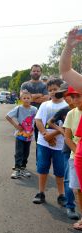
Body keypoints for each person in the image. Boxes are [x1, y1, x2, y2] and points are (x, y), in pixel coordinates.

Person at [47, 83, 80, 220]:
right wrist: (61, 130)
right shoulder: (66, 111)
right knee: (70, 180)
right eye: (67, 96)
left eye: (73, 95)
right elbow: (50, 122)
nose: (69, 98)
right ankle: (70, 206)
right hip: (70, 150)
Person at [33, 78, 68, 205]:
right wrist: (45, 134)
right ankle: (41, 192)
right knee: (42, 168)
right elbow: (38, 121)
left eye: (55, 89)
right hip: (43, 143)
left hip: (60, 145)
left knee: (60, 170)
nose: (52, 92)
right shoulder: (44, 105)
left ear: (62, 90)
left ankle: (61, 195)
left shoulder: (67, 106)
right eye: (50, 90)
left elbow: (66, 126)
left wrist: (51, 135)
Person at [61, 87, 82, 229]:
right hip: (77, 155)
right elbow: (67, 137)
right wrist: (78, 153)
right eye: (72, 96)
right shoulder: (71, 113)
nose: (75, 99)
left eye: (78, 95)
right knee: (77, 190)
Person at [5, 90, 37, 179]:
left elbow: (39, 119)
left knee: (26, 152)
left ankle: (23, 168)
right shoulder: (18, 108)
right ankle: (17, 169)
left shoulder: (34, 109)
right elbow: (8, 116)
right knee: (19, 152)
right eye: (24, 98)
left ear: (31, 99)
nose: (26, 100)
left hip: (29, 136)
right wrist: (16, 126)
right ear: (21, 99)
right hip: (20, 135)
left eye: (28, 98)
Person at [20, 65, 49, 141]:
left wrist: (29, 97)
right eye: (34, 71)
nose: (36, 72)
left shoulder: (45, 85)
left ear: (41, 73)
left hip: (40, 115)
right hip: (26, 116)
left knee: (39, 139)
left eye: (38, 71)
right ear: (30, 72)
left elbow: (46, 98)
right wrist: (39, 95)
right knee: (24, 139)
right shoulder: (25, 85)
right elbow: (22, 97)